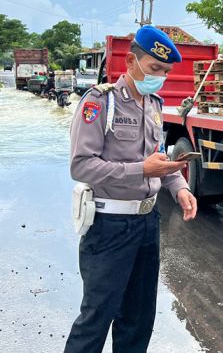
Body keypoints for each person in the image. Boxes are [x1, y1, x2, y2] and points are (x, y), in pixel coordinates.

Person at [65, 25, 198, 353]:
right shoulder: (100, 102)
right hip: (108, 226)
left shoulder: (154, 104)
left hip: (146, 224)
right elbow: (80, 166)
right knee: (97, 317)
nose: (160, 77)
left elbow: (160, 159)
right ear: (130, 61)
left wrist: (179, 187)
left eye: (165, 72)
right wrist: (141, 169)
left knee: (138, 319)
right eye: (154, 69)